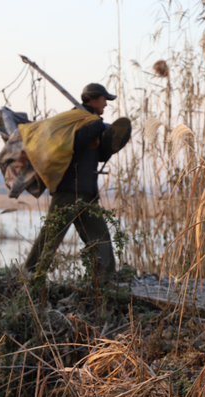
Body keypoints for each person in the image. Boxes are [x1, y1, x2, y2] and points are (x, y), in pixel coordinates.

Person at [24, 83, 131, 282]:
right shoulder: (76, 122)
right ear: (92, 99)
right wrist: (97, 125)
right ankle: (30, 274)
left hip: (87, 192)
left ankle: (105, 279)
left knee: (100, 237)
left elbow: (96, 155)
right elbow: (74, 142)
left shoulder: (91, 122)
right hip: (68, 190)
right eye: (103, 99)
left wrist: (108, 143)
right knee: (51, 235)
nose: (106, 104)